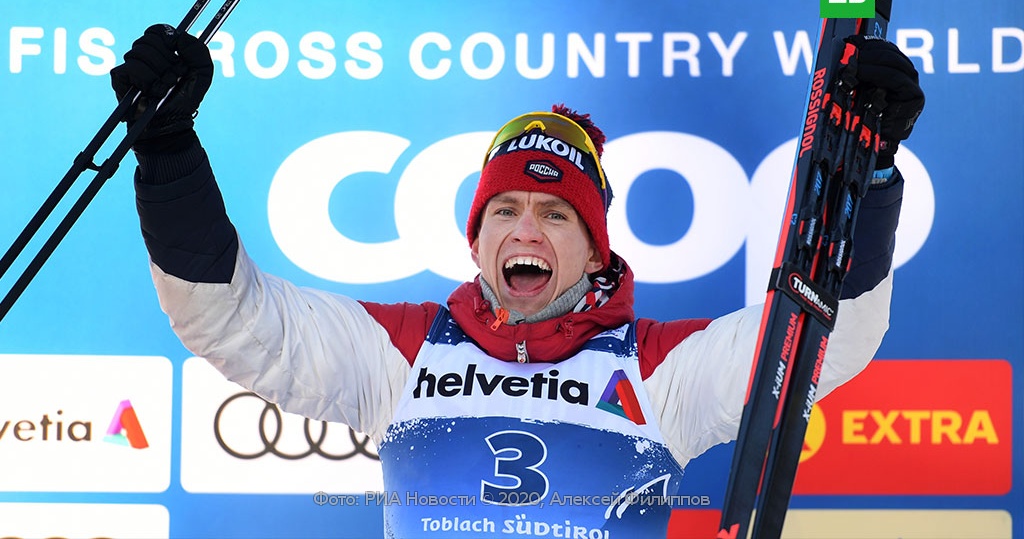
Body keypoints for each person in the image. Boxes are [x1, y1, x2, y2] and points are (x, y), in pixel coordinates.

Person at [112, 23, 923, 539]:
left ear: (596, 250)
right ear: (477, 239)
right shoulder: (403, 350)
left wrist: (871, 171)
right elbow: (230, 317)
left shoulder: (659, 368)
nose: (525, 230)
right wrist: (169, 150)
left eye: (556, 214)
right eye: (503, 209)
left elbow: (829, 335)